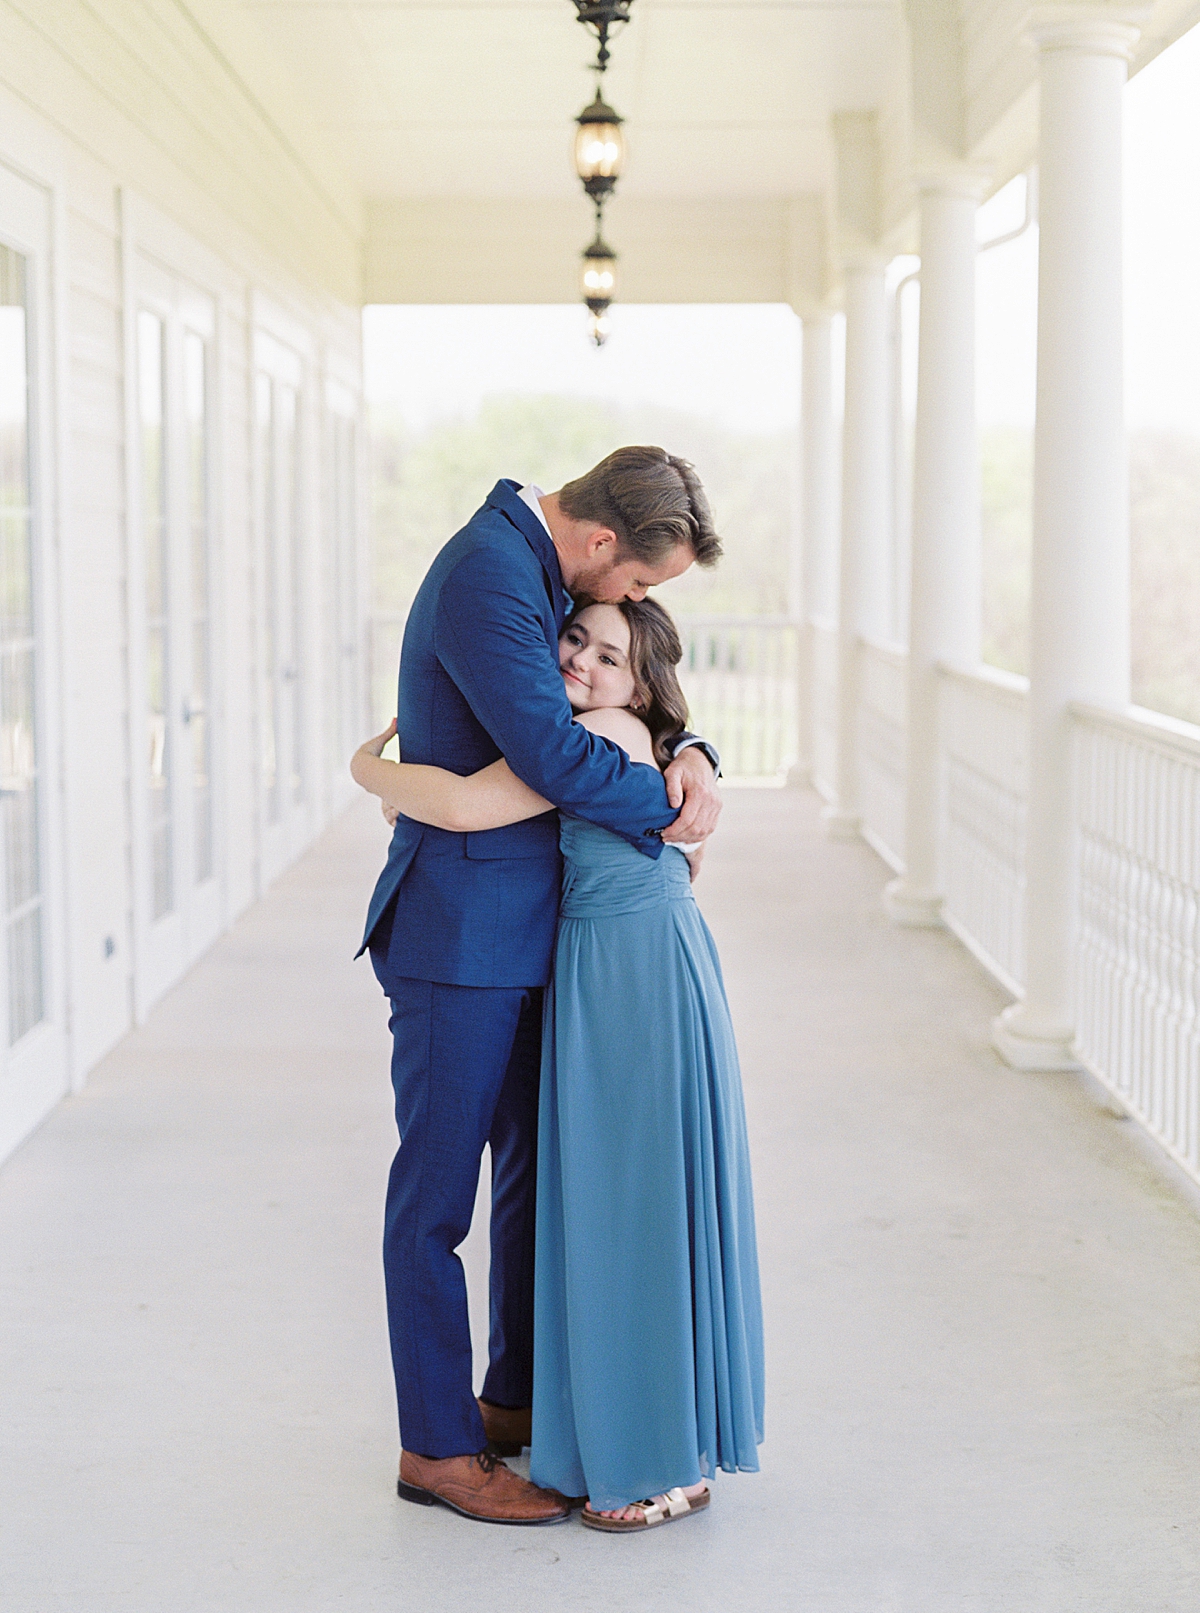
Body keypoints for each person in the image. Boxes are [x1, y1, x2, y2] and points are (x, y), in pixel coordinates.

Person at [355, 449, 724, 1525]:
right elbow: (552, 750)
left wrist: (690, 739)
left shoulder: (543, 570)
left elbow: (621, 681)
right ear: (605, 542)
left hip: (536, 936)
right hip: (458, 932)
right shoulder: (488, 571)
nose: (629, 604)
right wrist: (672, 791)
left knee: (532, 1175)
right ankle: (437, 1445)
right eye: (642, 583)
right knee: (436, 1200)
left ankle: (510, 1397)